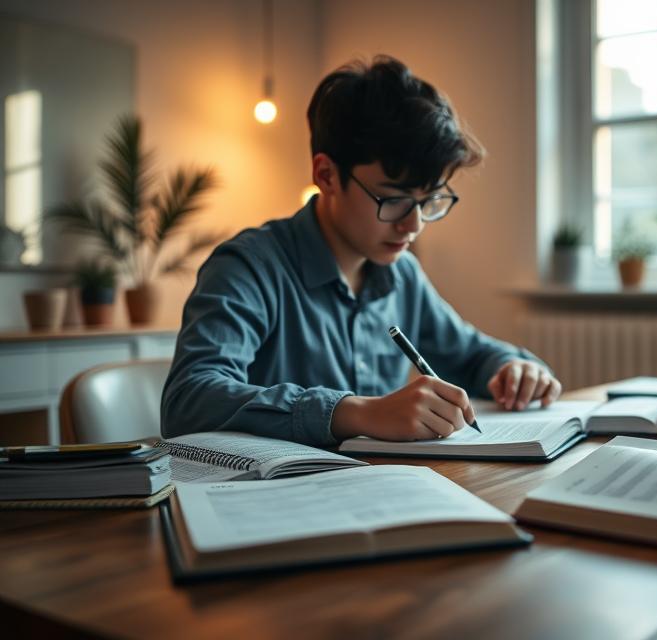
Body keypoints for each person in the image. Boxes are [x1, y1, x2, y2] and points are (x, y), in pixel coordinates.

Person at [161, 56, 561, 447]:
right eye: (393, 199)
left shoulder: (402, 274)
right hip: (271, 500)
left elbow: (472, 354)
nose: (413, 225)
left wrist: (513, 368)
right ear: (326, 175)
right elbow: (189, 399)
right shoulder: (249, 267)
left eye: (430, 200)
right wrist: (357, 413)